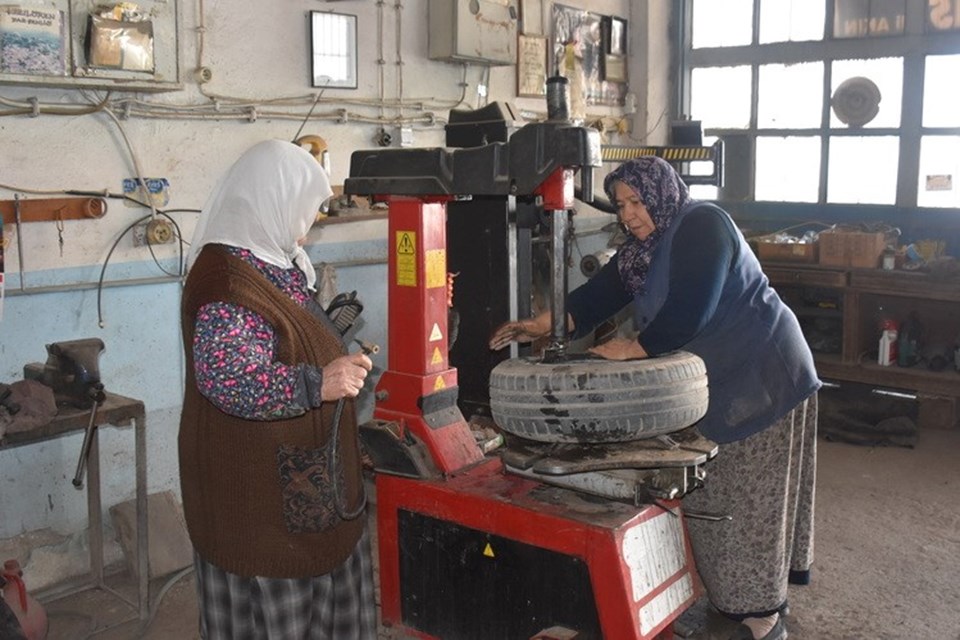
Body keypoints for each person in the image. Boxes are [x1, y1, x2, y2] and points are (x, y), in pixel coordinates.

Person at [489, 156, 819, 640]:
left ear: (662, 194)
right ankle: (725, 597)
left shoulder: (704, 226)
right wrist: (543, 322)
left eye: (637, 201)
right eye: (621, 205)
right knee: (709, 490)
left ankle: (761, 614)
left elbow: (692, 309)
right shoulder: (642, 250)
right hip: (711, 378)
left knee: (750, 501)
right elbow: (598, 295)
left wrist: (634, 349)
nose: (628, 214)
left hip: (762, 373)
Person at [179, 139, 376, 639]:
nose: (306, 230)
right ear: (271, 200)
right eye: (303, 212)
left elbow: (283, 338)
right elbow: (230, 379)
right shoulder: (228, 281)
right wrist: (319, 381)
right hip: (259, 501)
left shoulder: (273, 262)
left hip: (305, 487)